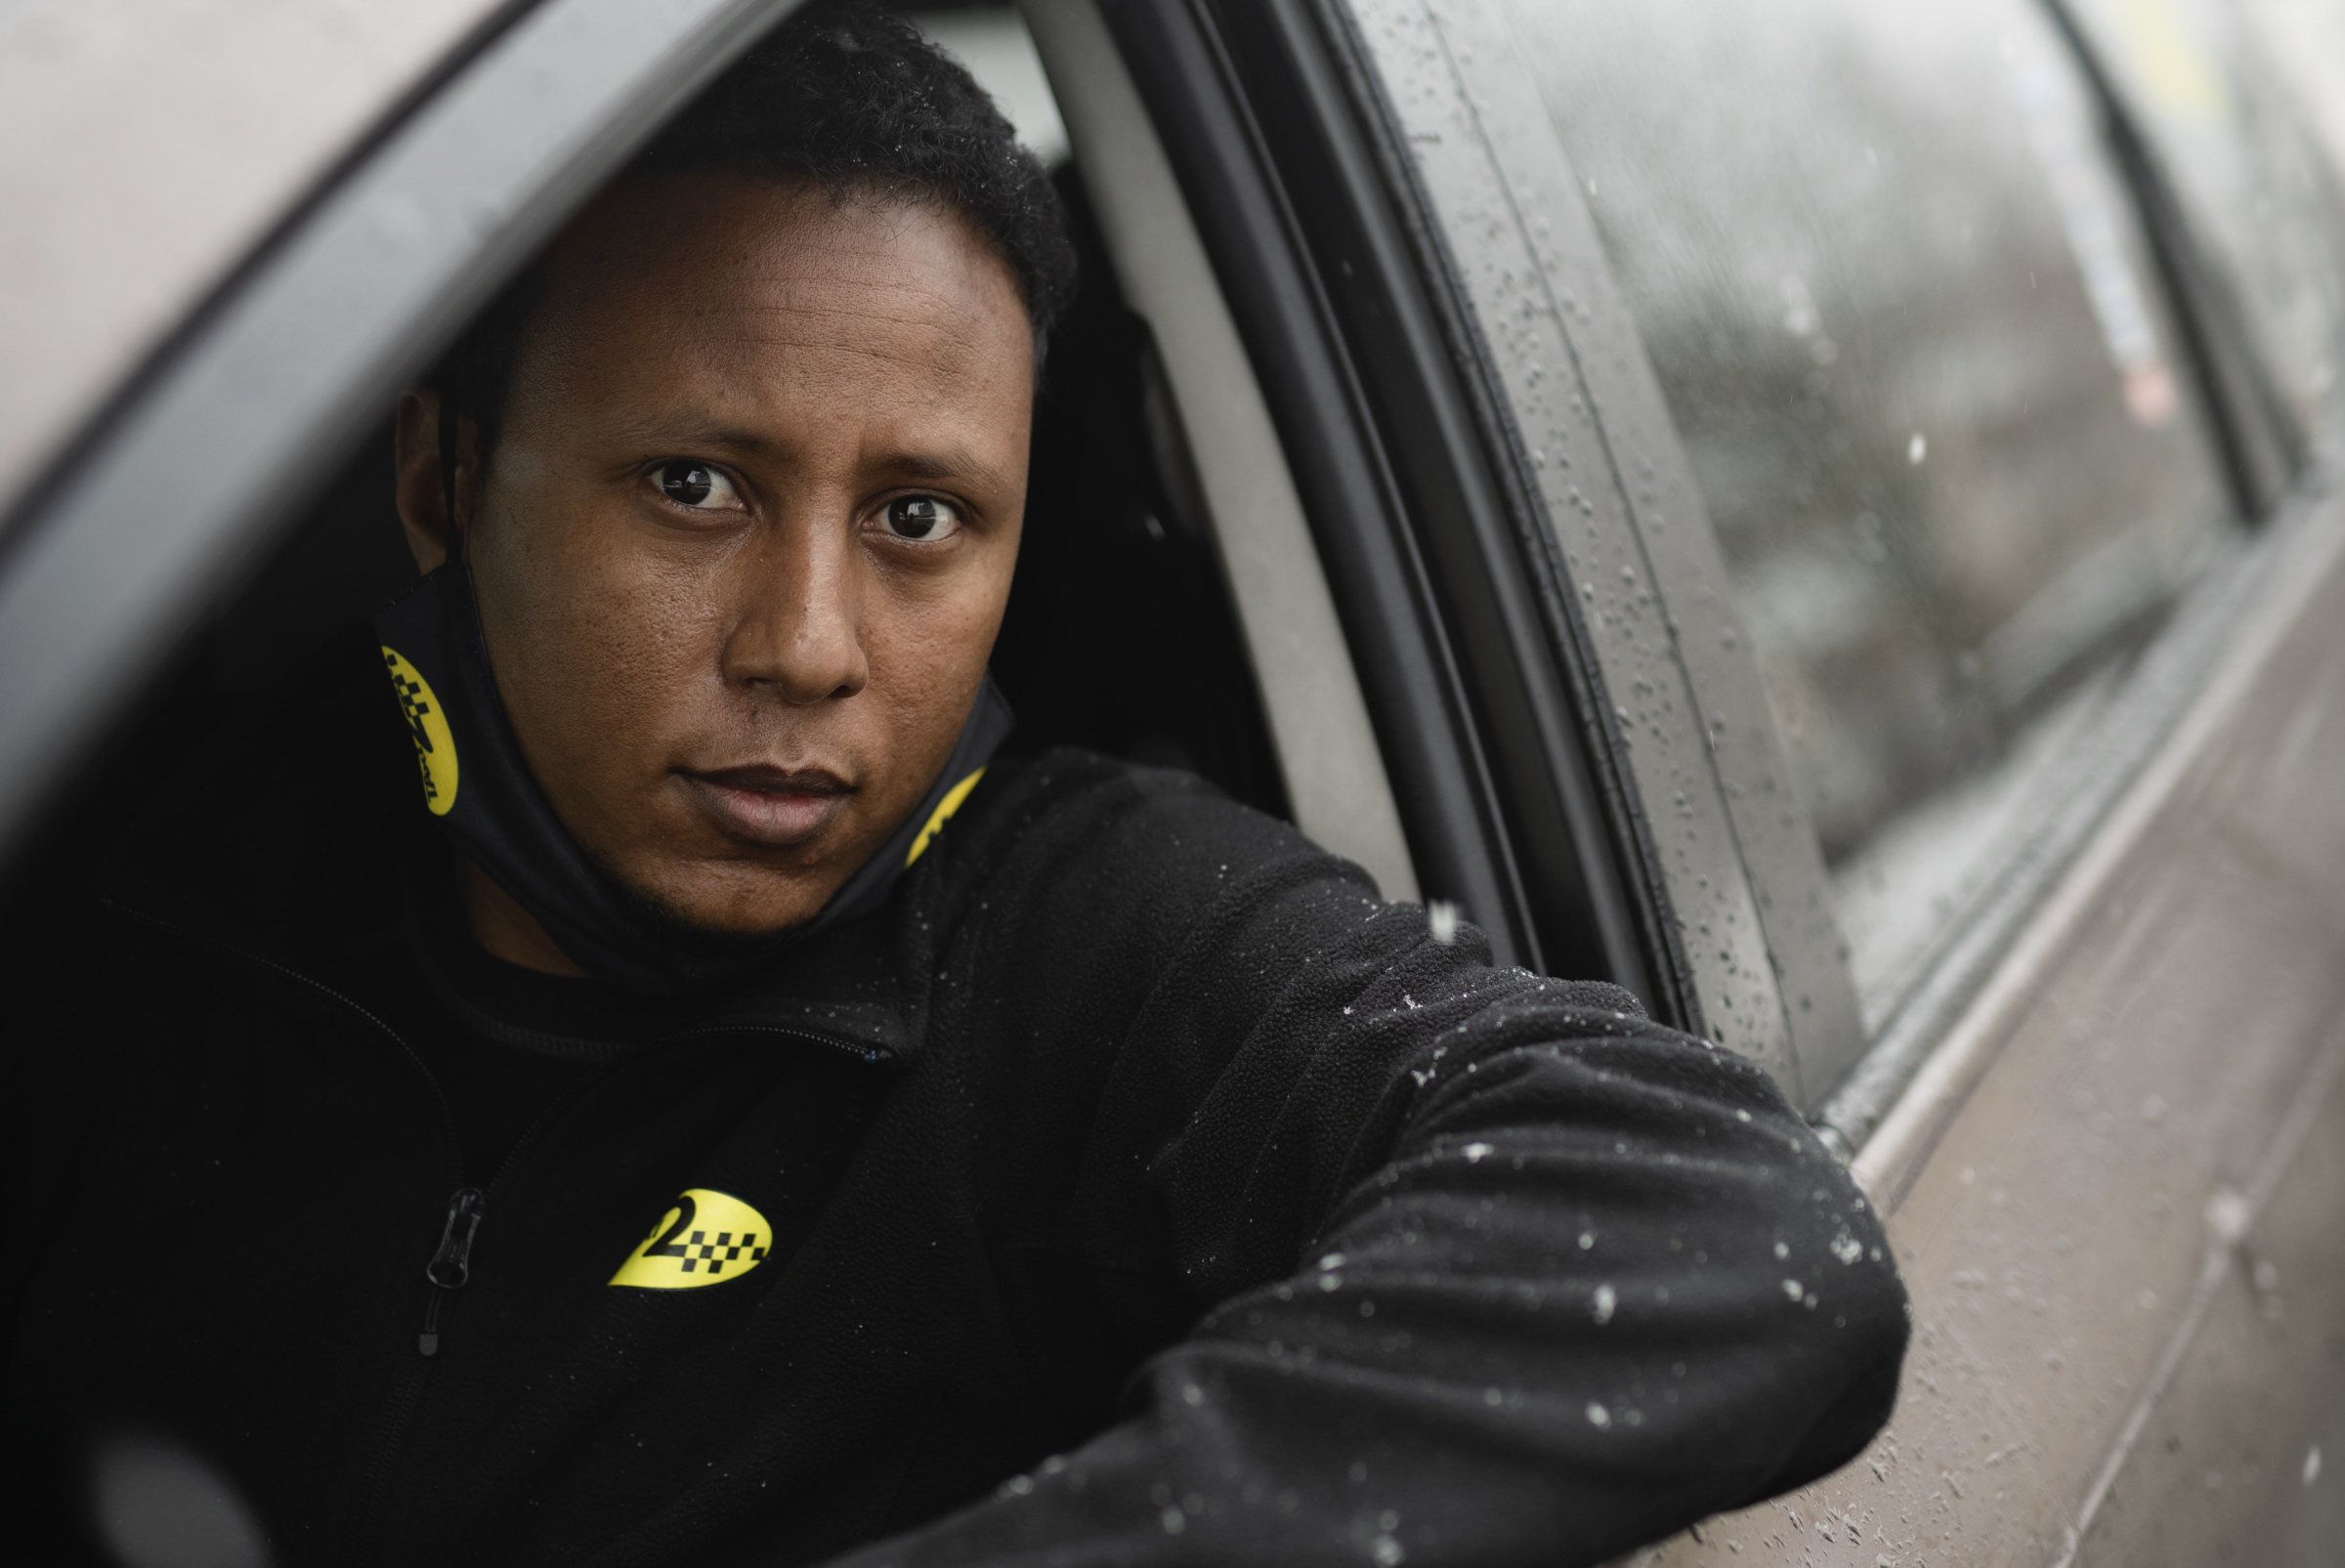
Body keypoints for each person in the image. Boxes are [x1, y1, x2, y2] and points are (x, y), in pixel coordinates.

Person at [4, 5, 1908, 1564]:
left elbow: (1735, 1218)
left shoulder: (1072, 935)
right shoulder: (144, 890)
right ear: (442, 482)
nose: (808, 644)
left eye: (918, 517)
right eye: (695, 486)